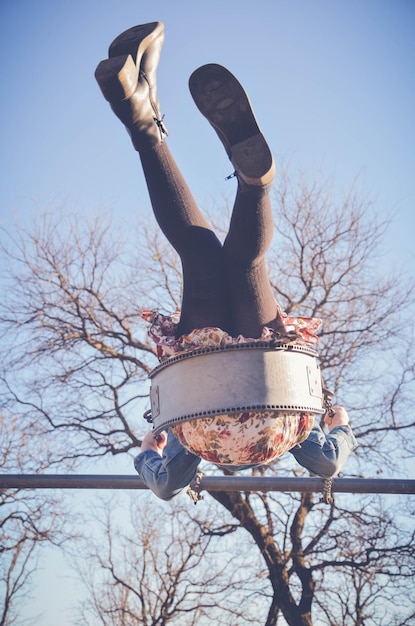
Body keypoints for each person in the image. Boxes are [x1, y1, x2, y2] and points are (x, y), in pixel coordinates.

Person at [95, 21, 358, 501]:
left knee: (245, 266)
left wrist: (339, 427)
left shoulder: (285, 438)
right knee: (197, 252)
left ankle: (254, 184)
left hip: (273, 394)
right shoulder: (192, 443)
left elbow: (327, 458)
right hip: (207, 404)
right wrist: (148, 451)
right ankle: (138, 115)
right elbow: (167, 485)